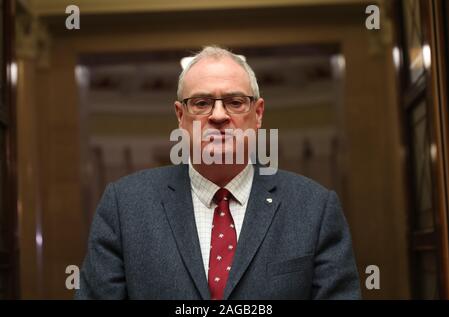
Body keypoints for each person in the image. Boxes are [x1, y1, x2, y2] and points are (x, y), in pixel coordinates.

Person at [75, 46, 361, 300]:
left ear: (258, 113)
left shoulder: (315, 208)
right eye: (201, 103)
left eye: (235, 102)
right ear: (180, 117)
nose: (219, 116)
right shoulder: (125, 207)